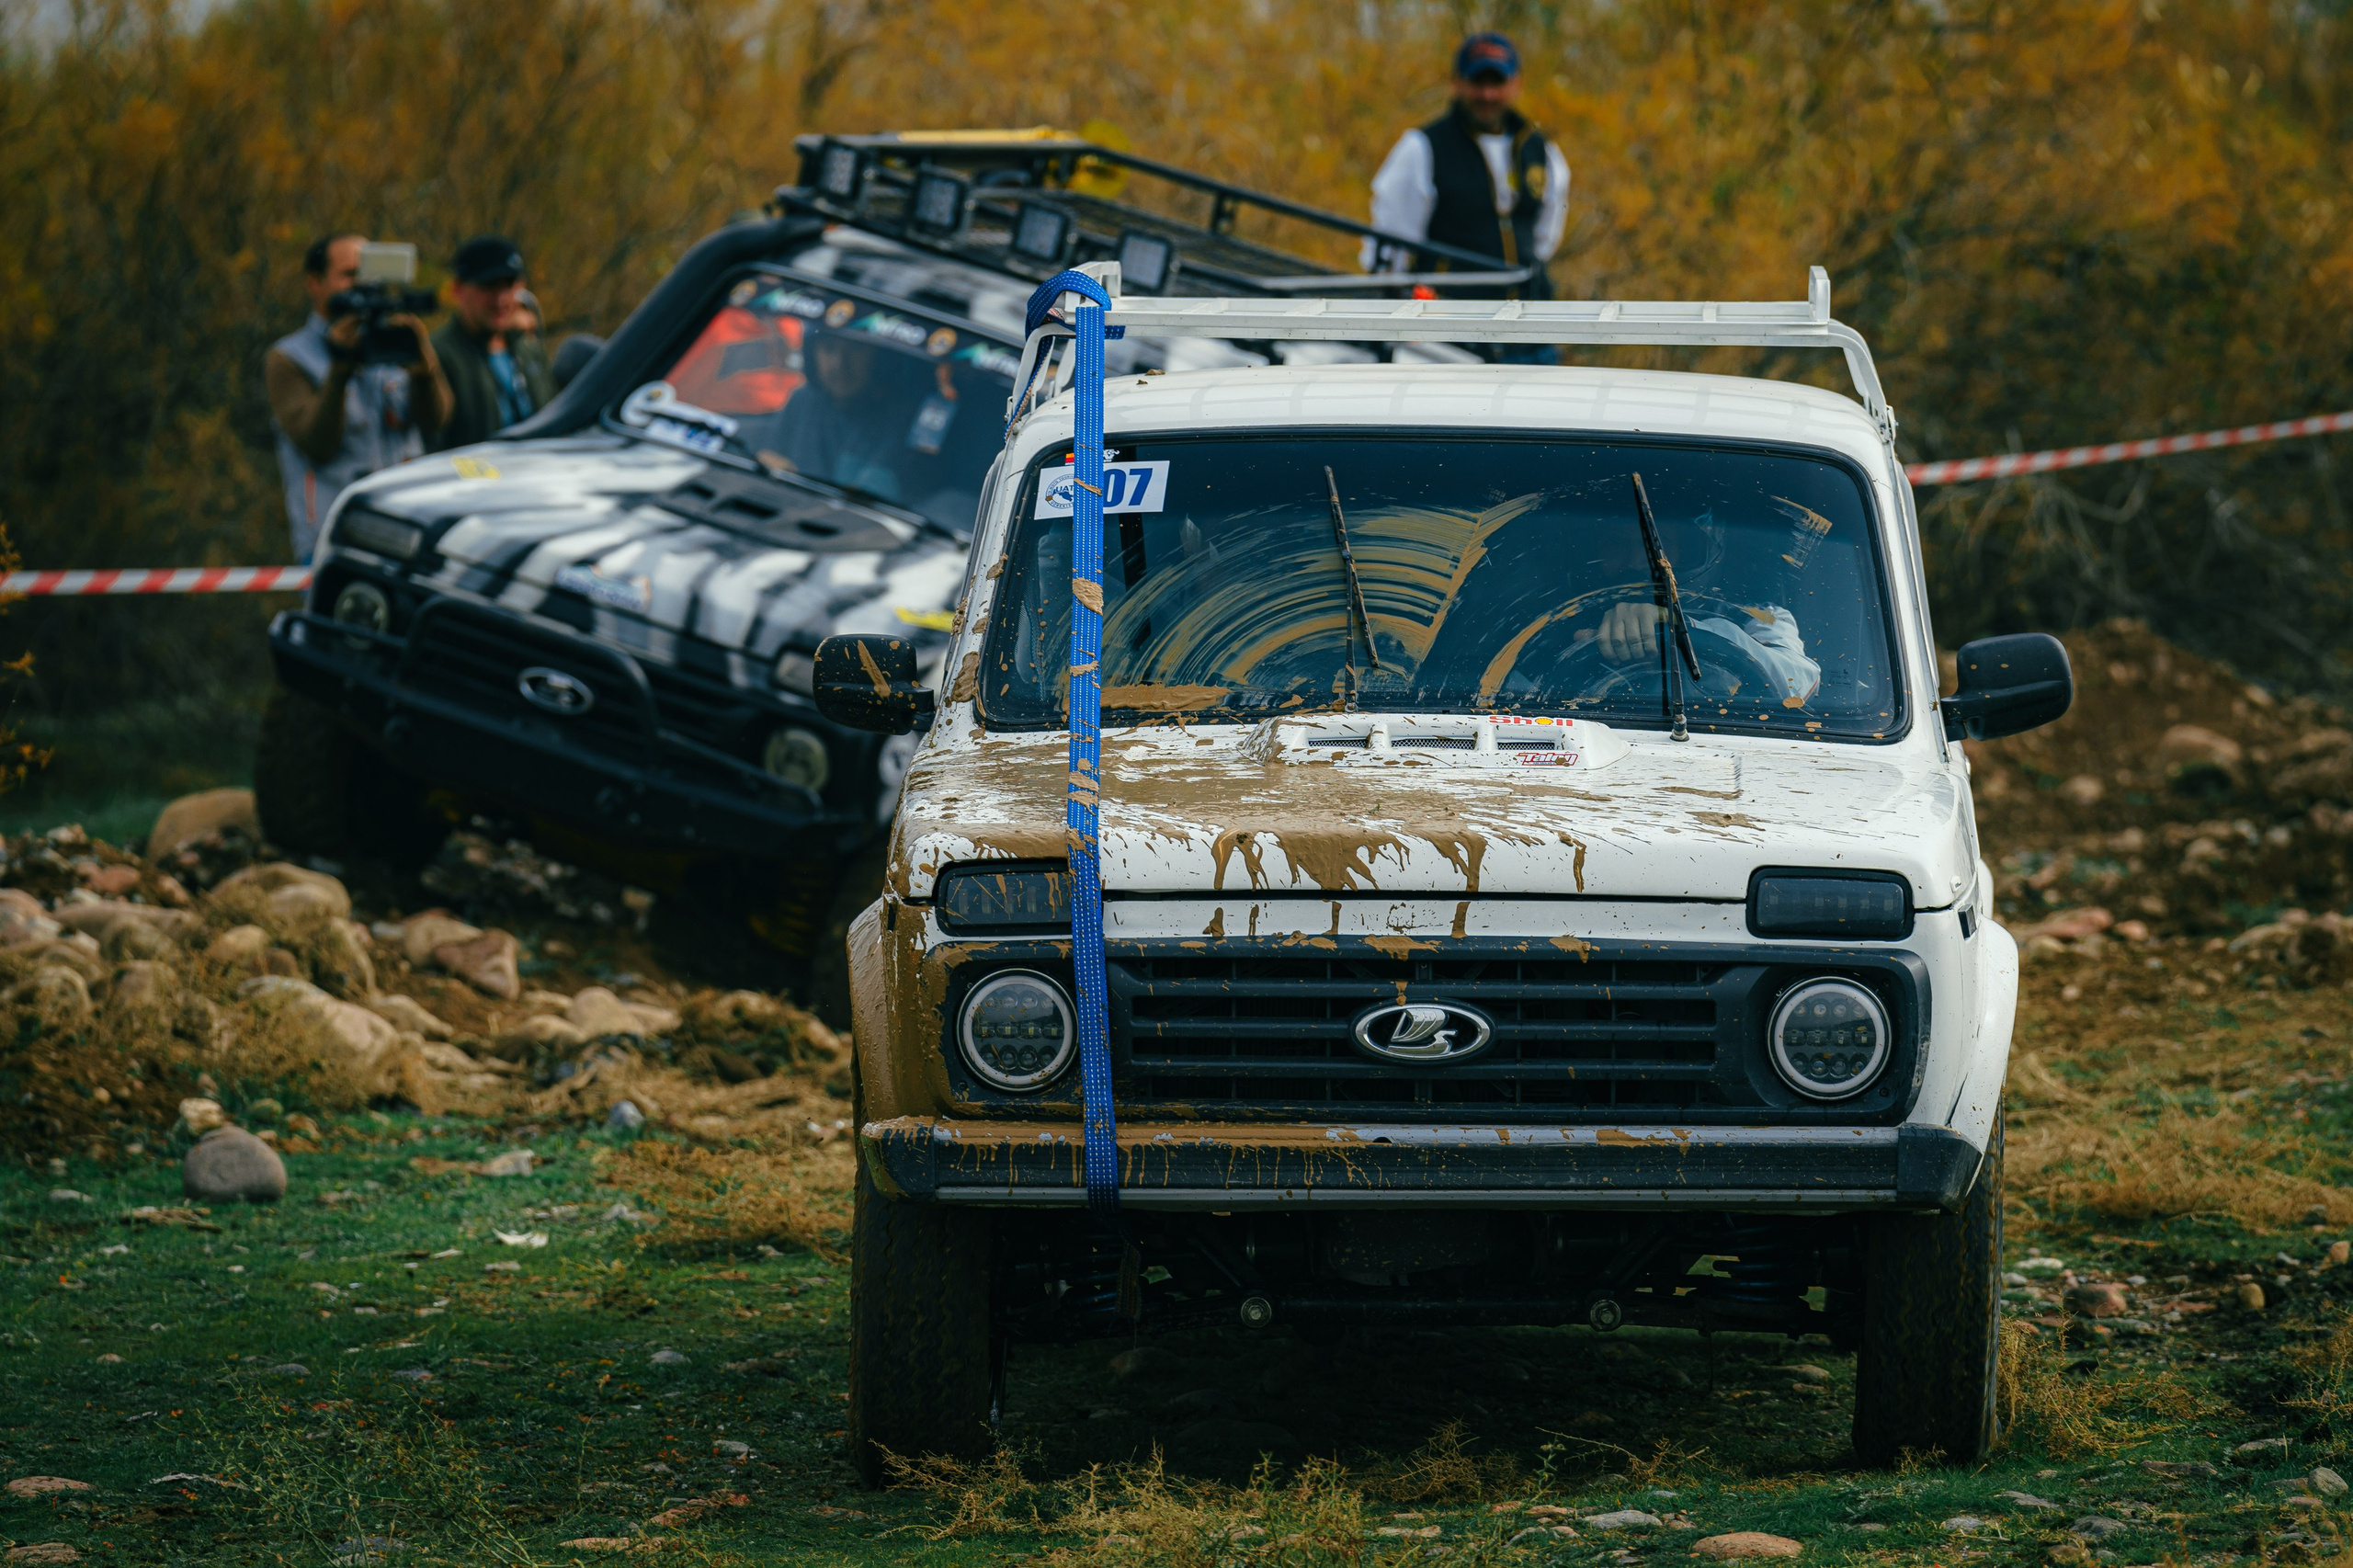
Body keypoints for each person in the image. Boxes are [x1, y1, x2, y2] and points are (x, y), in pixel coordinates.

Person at [266, 233, 449, 562]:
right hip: (336, 539)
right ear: (315, 283)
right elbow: (317, 442)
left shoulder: (391, 341)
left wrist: (424, 367)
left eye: (367, 274)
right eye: (349, 275)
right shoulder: (290, 358)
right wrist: (340, 369)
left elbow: (437, 420)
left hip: (409, 528)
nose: (362, 286)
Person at [1360, 33, 1571, 310]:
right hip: (1447, 327)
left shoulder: (1543, 151)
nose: (1487, 94)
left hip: (1529, 324)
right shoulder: (1422, 147)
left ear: (1516, 83)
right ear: (1456, 83)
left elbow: (1545, 238)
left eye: (1497, 82)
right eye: (1477, 82)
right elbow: (1392, 245)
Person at [427, 234, 555, 452]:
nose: (501, 299)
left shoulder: (528, 350)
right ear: (457, 289)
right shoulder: (438, 355)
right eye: (488, 286)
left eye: (509, 285)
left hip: (537, 475)